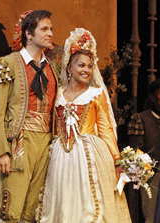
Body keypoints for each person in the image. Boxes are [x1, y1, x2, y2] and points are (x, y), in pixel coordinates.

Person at [35, 28, 131, 223]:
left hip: (89, 153)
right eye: (81, 65)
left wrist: (117, 160)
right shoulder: (58, 94)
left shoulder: (96, 94)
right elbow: (53, 127)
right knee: (62, 204)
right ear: (69, 68)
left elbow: (105, 129)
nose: (86, 70)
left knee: (89, 206)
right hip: (61, 156)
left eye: (89, 66)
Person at [0, 10, 59, 223]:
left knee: (33, 212)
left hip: (46, 144)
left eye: (51, 29)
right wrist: (1, 152)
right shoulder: (6, 64)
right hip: (19, 143)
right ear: (29, 34)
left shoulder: (53, 69)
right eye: (44, 29)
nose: (50, 34)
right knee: (11, 211)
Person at [128, 79, 160, 223]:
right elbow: (135, 153)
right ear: (153, 97)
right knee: (151, 216)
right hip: (152, 178)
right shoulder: (140, 119)